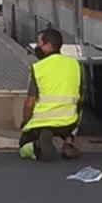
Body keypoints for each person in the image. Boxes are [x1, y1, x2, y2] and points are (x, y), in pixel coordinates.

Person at [19, 28, 83, 161]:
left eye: (39, 44)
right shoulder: (75, 65)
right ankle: (68, 141)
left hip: (42, 121)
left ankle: (37, 145)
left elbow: (29, 103)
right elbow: (81, 97)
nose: (37, 47)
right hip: (69, 122)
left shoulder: (39, 68)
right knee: (79, 107)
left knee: (23, 147)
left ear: (48, 46)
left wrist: (25, 123)